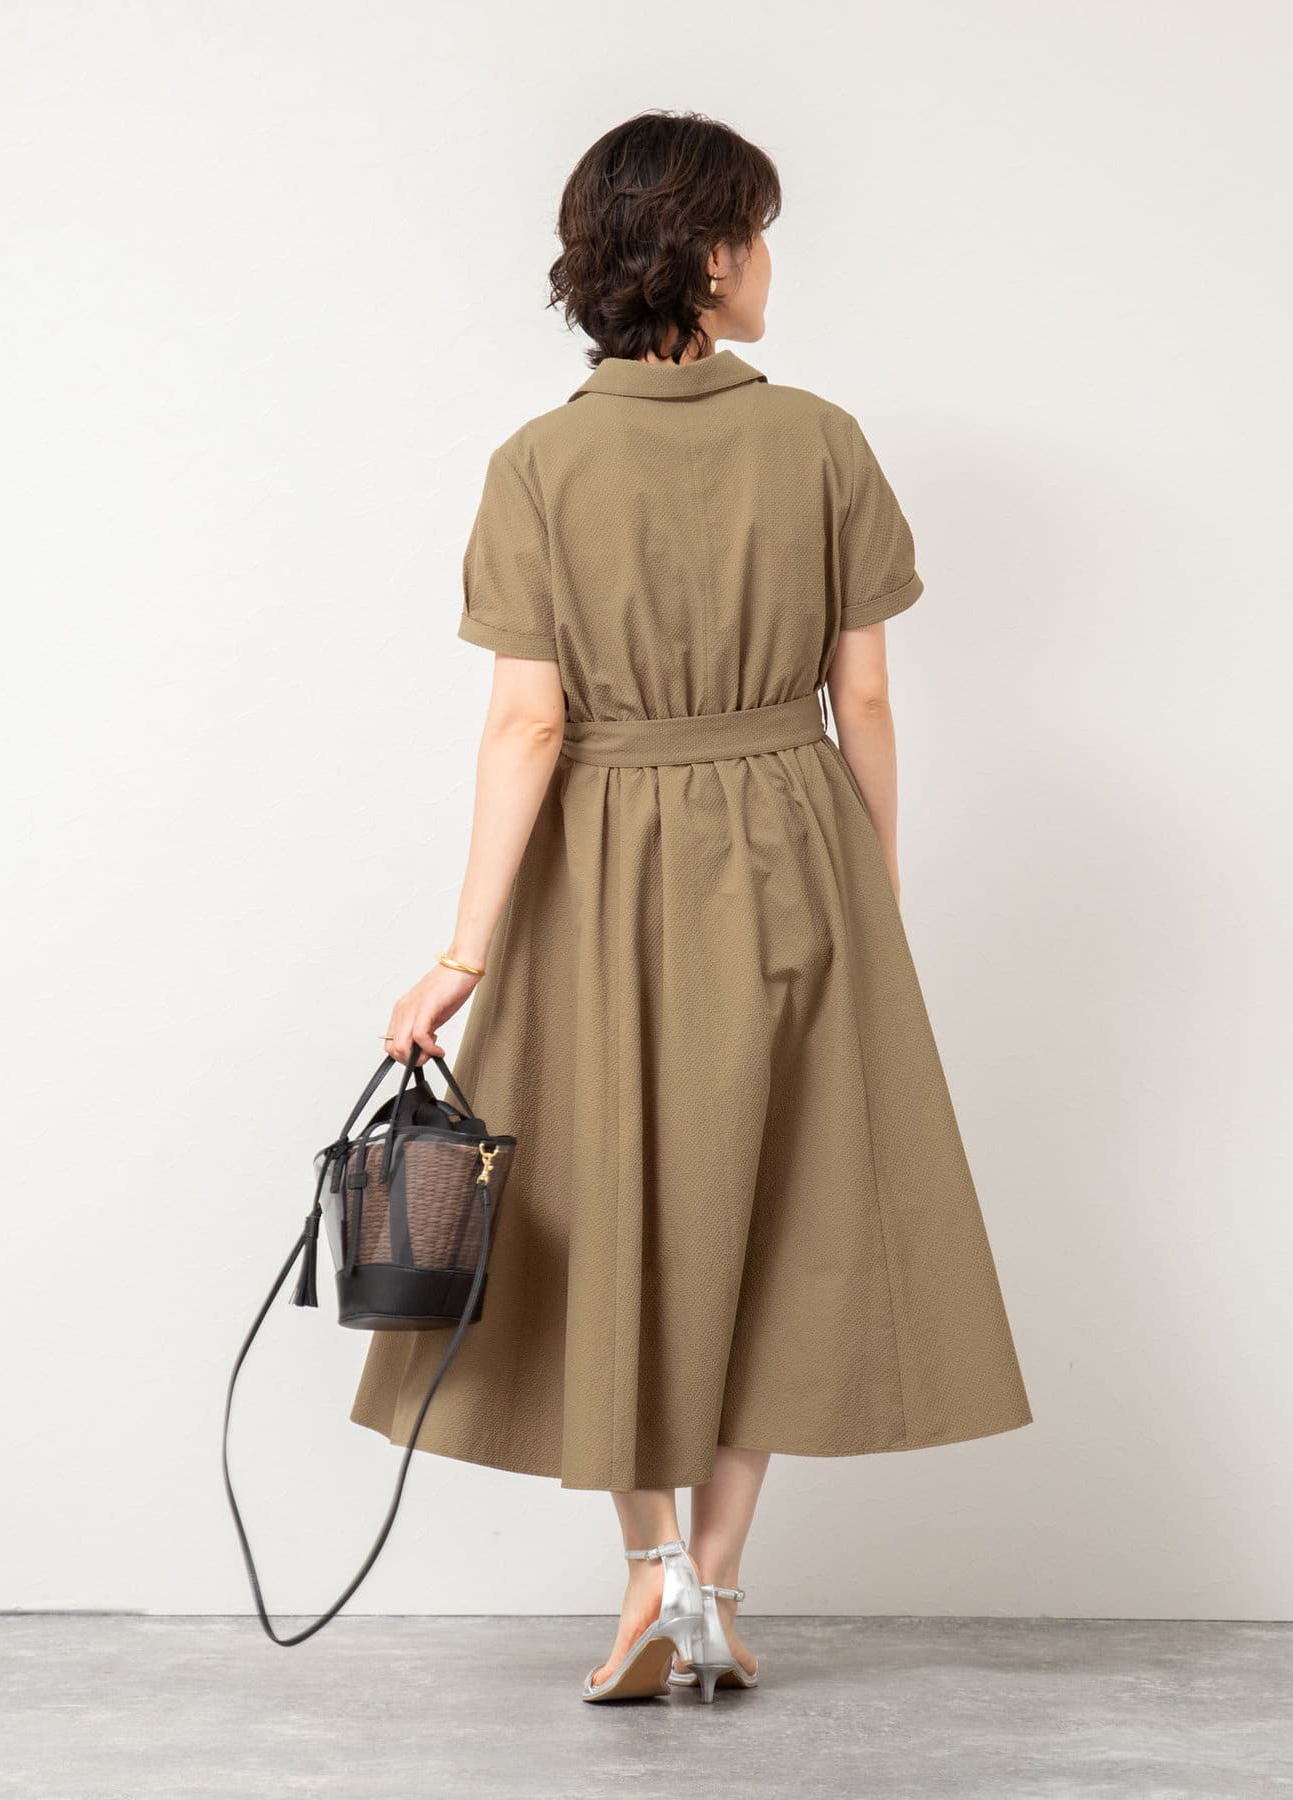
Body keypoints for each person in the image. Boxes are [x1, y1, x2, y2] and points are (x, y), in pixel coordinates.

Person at [349, 108, 1033, 1703]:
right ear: (709, 257)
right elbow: (866, 700)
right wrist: (872, 886)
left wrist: (461, 953)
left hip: (603, 869)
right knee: (780, 1213)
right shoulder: (821, 443)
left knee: (610, 1211)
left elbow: (527, 727)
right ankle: (717, 1582)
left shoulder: (538, 465)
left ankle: (651, 1568)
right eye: (759, 234)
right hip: (796, 849)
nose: (772, 262)